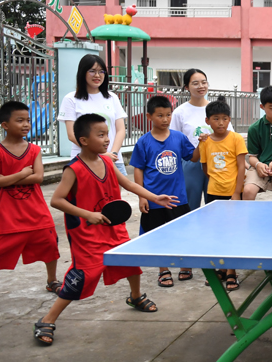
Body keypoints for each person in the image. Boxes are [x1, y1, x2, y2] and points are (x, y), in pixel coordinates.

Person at [34, 113, 178, 345]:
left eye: (107, 134)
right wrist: (88, 214)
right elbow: (57, 200)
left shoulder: (108, 162)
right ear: (83, 140)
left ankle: (135, 296)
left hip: (113, 227)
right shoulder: (74, 169)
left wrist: (154, 197)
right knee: (84, 274)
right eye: (100, 135)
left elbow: (127, 183)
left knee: (130, 262)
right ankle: (47, 319)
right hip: (87, 233)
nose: (107, 139)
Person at [0, 102, 61, 317]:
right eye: (19, 120)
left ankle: (52, 280)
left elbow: (38, 177)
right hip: (6, 216)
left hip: (36, 212)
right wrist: (21, 174)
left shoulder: (34, 150)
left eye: (28, 120)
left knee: (50, 245)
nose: (26, 124)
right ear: (5, 125)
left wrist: (6, 179)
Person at [130, 96, 199, 287]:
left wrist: (202, 144)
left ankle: (185, 265)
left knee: (182, 232)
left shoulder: (179, 137)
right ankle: (163, 269)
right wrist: (142, 196)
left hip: (178, 197)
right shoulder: (143, 142)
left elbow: (193, 157)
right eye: (160, 115)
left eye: (168, 115)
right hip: (154, 199)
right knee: (158, 235)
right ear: (149, 116)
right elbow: (138, 169)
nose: (165, 119)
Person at [199, 96, 247, 290]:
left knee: (232, 232)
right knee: (217, 232)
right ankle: (221, 268)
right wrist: (215, 182)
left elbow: (242, 167)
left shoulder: (236, 139)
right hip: (213, 194)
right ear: (207, 121)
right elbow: (205, 168)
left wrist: (236, 192)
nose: (221, 122)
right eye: (216, 118)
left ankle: (232, 271)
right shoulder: (205, 142)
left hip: (232, 193)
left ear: (229, 120)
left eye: (225, 118)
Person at [171, 69, 233, 213]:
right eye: (195, 83)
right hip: (191, 162)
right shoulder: (180, 112)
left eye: (204, 82)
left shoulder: (216, 109)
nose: (201, 86)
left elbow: (230, 135)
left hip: (217, 161)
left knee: (216, 205)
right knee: (190, 205)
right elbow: (174, 140)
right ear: (186, 87)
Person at [57, 55, 128, 175]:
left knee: (117, 188)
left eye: (101, 71)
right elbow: (72, 134)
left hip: (114, 160)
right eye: (92, 71)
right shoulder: (71, 99)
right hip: (84, 161)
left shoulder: (112, 97)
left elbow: (120, 130)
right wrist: (102, 154)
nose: (97, 75)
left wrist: (113, 153)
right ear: (82, 72)